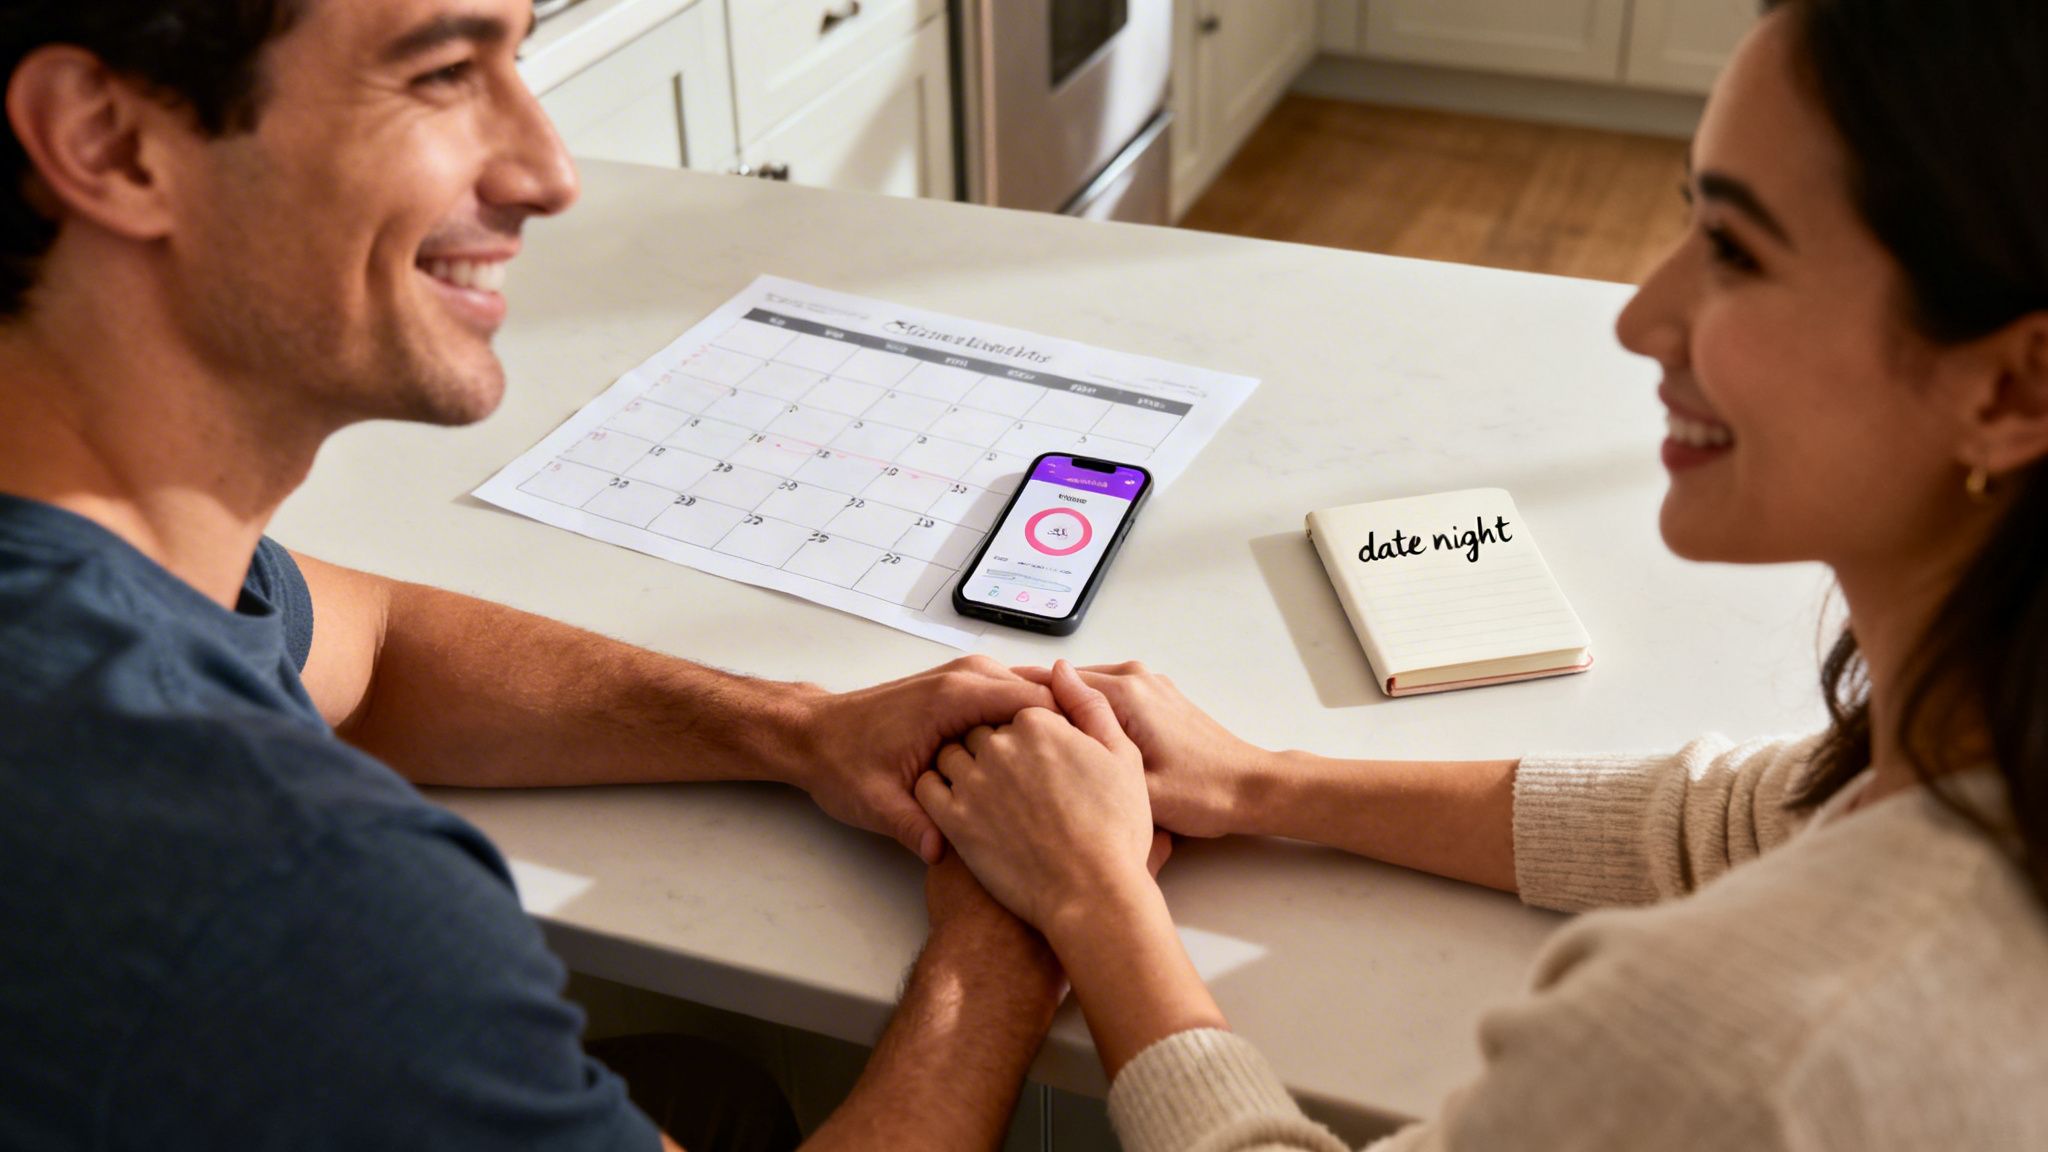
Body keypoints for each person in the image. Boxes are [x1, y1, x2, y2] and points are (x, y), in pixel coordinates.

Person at [916, 0, 2048, 1147]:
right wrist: (1259, 784)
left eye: (1735, 252)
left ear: (2012, 389)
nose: (1641, 316)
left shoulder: (1748, 1052)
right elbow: (1747, 820)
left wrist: (1091, 899)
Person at [0, 1, 1070, 1148]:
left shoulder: (100, 555)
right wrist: (1016, 923)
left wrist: (798, 730)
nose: (550, 171)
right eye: (443, 73)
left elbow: (363, 644)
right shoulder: (290, 895)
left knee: (704, 1087)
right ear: (109, 143)